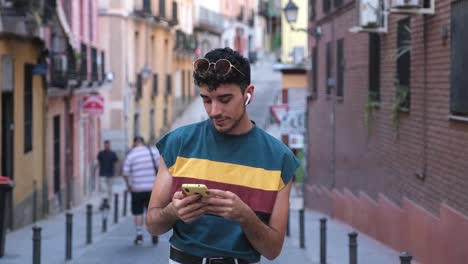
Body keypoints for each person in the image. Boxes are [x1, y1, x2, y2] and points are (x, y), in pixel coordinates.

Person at [146, 47, 299, 263]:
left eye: (224, 99)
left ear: (249, 93)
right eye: (207, 100)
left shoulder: (280, 158)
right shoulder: (177, 143)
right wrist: (172, 211)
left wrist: (245, 216)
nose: (214, 111)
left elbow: (273, 250)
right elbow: (153, 224)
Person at [123, 136, 160, 245]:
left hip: (137, 189)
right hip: (152, 189)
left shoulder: (131, 155)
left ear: (134, 143)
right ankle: (154, 233)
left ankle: (139, 235)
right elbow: (161, 168)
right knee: (151, 212)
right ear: (143, 143)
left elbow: (125, 172)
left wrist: (128, 185)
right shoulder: (153, 152)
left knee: (138, 212)